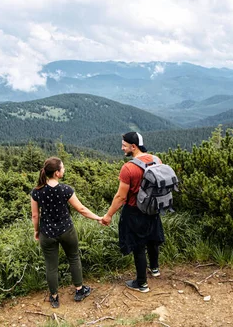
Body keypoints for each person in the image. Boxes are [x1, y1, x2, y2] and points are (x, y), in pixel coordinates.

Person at [31, 156, 102, 308]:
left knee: (51, 265)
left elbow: (35, 215)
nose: (64, 169)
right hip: (66, 230)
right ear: (57, 173)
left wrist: (37, 231)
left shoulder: (36, 192)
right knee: (74, 258)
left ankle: (54, 297)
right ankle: (79, 290)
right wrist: (98, 218)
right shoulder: (66, 190)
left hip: (47, 233)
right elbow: (81, 209)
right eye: (62, 168)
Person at [101, 132, 164, 293]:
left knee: (138, 246)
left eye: (124, 145)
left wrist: (108, 215)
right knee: (152, 239)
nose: (122, 148)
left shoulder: (128, 168)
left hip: (135, 211)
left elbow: (121, 196)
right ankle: (155, 269)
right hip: (153, 208)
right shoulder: (156, 160)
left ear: (133, 146)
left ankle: (141, 283)